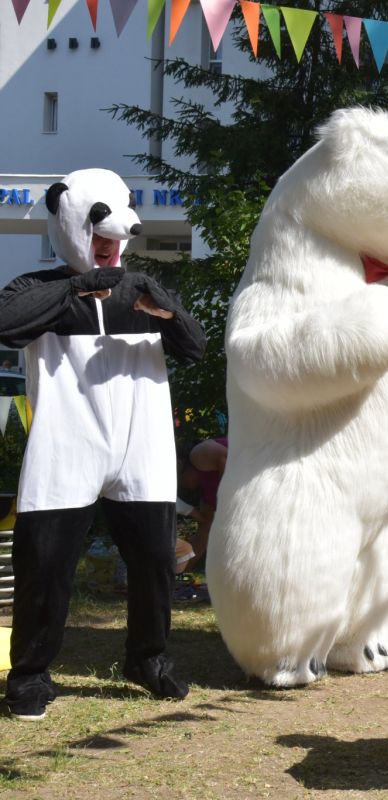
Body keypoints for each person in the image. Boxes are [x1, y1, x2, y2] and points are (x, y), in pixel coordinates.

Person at [0, 168, 205, 720]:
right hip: (67, 440)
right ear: (68, 221)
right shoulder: (35, 288)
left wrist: (167, 311)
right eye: (97, 232)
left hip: (142, 442)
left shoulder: (141, 290)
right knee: (45, 563)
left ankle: (148, 658)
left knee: (155, 560)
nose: (111, 245)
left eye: (116, 235)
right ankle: (30, 674)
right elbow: (6, 323)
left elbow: (195, 346)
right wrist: (76, 288)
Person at [176, 437, 228, 574]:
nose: (183, 486)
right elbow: (202, 537)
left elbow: (229, 460)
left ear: (180, 465)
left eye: (180, 481)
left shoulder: (198, 453)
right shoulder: (207, 498)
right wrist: (181, 570)